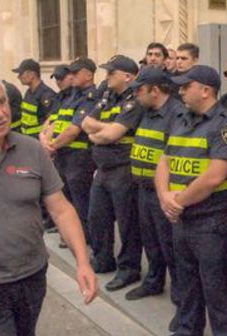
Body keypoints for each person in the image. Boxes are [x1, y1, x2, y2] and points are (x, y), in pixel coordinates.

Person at [0, 71, 97, 335]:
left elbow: (61, 209)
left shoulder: (31, 150)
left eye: (1, 102)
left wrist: (83, 263)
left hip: (32, 278)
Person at [155, 65, 227, 335]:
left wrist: (177, 200)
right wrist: (164, 196)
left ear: (205, 91)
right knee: (186, 286)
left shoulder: (226, 124)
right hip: (182, 220)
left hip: (211, 223)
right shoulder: (180, 119)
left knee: (219, 292)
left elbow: (215, 176)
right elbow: (164, 162)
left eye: (186, 86)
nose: (180, 91)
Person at [81, 55, 144, 292]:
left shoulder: (134, 100)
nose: (106, 76)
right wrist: (104, 131)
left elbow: (112, 135)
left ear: (127, 76)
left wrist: (103, 132)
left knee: (127, 223)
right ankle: (103, 259)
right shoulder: (107, 96)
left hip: (123, 169)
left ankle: (129, 268)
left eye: (111, 72)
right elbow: (87, 124)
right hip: (103, 168)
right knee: (97, 217)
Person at [127, 66, 183, 332]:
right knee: (151, 242)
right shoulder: (146, 111)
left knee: (171, 247)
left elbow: (172, 156)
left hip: (164, 192)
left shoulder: (176, 114)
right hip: (143, 189)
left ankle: (182, 302)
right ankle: (153, 281)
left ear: (155, 90)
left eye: (139, 89)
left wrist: (166, 194)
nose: (136, 94)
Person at [44, 57, 98, 243]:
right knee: (65, 197)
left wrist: (51, 146)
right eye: (70, 73)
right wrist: (48, 141)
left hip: (79, 158)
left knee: (80, 202)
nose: (71, 76)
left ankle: (84, 238)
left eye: (76, 73)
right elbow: (57, 121)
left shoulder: (90, 97)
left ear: (89, 75)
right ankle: (69, 235)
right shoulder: (71, 95)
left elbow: (73, 131)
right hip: (63, 156)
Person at [12, 58, 56, 137]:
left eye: (21, 74)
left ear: (32, 75)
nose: (18, 77)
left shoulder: (46, 95)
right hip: (27, 139)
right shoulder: (29, 92)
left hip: (38, 141)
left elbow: (52, 121)